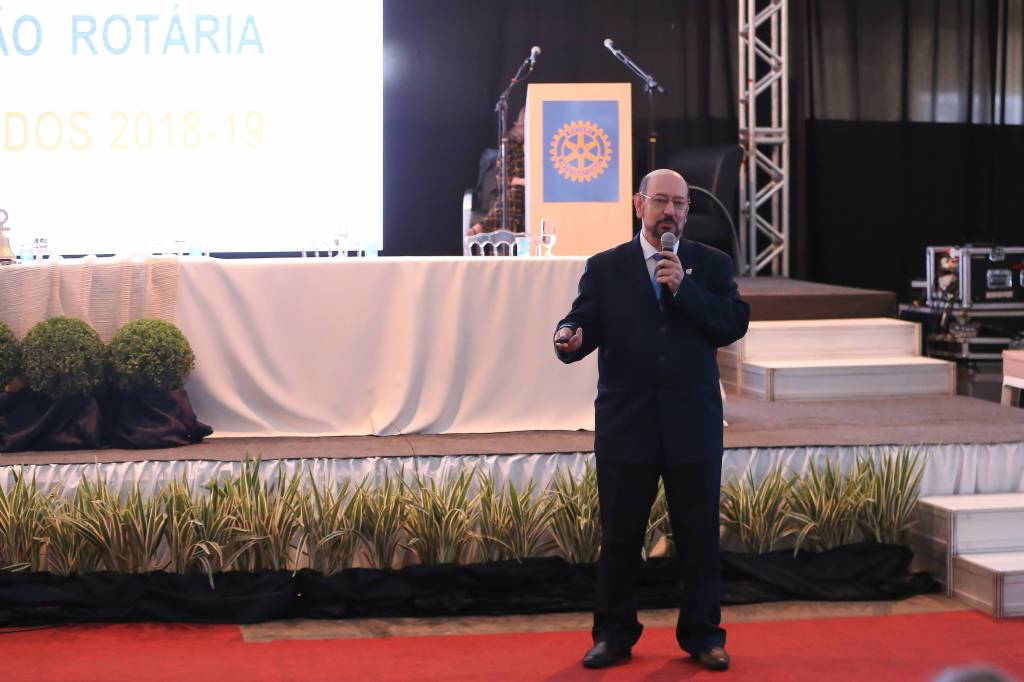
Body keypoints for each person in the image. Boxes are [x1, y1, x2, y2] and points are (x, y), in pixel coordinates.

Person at [552, 168, 749, 671]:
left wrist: (684, 288)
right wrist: (570, 336)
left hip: (692, 423)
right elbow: (584, 321)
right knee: (620, 536)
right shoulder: (607, 266)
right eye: (660, 201)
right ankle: (613, 634)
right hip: (628, 423)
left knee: (699, 537)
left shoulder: (711, 264)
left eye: (679, 204)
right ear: (639, 205)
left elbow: (731, 323)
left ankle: (703, 635)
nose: (670, 212)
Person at [468, 108, 526, 235]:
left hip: (537, 192)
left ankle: (482, 228)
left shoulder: (541, 142)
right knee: (515, 194)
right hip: (513, 190)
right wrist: (526, 182)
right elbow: (503, 178)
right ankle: (482, 228)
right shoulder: (508, 142)